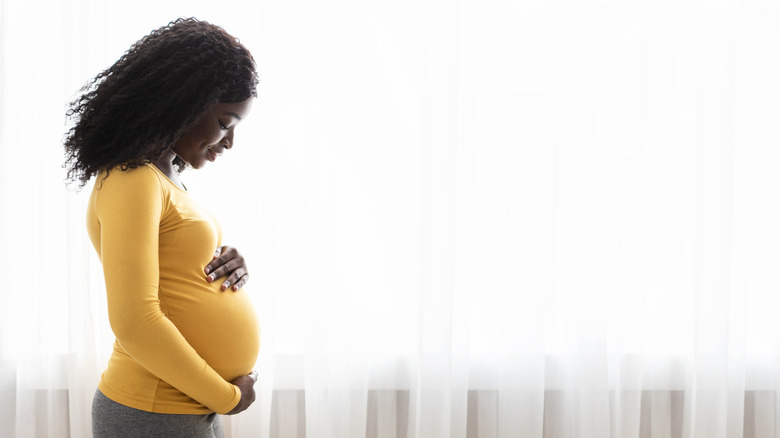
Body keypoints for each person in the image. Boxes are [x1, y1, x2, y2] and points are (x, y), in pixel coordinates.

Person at [63, 18, 260, 438]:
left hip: (182, 407)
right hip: (153, 412)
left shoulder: (164, 176)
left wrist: (228, 263)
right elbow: (135, 321)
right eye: (225, 124)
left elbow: (175, 272)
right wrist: (229, 398)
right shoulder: (132, 177)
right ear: (183, 104)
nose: (229, 143)